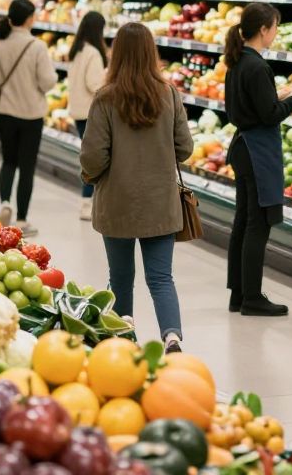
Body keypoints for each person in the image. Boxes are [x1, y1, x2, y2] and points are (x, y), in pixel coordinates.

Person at [80, 22, 193, 354]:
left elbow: (93, 156)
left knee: (120, 277)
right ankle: (172, 337)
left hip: (117, 202)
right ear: (151, 52)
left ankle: (123, 335)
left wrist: (92, 176)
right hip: (160, 202)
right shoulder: (169, 94)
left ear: (116, 55)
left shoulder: (105, 98)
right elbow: (184, 148)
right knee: (161, 278)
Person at [224, 3, 292, 317]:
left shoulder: (238, 62)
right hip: (257, 150)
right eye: (275, 27)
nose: (276, 32)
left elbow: (250, 106)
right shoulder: (258, 66)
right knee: (258, 225)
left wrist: (274, 96)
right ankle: (252, 298)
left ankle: (238, 293)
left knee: (243, 222)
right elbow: (270, 115)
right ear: (264, 30)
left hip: (241, 146)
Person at [0, 0, 57, 234]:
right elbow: (47, 81)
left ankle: (5, 203)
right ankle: (22, 219)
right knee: (27, 166)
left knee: (8, 161)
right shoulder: (36, 46)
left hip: (6, 112)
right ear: (29, 19)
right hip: (31, 114)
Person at [68, 11, 108, 221]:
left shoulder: (77, 49)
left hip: (77, 109)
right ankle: (86, 202)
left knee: (87, 156)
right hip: (89, 112)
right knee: (92, 159)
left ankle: (88, 201)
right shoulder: (92, 53)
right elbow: (94, 85)